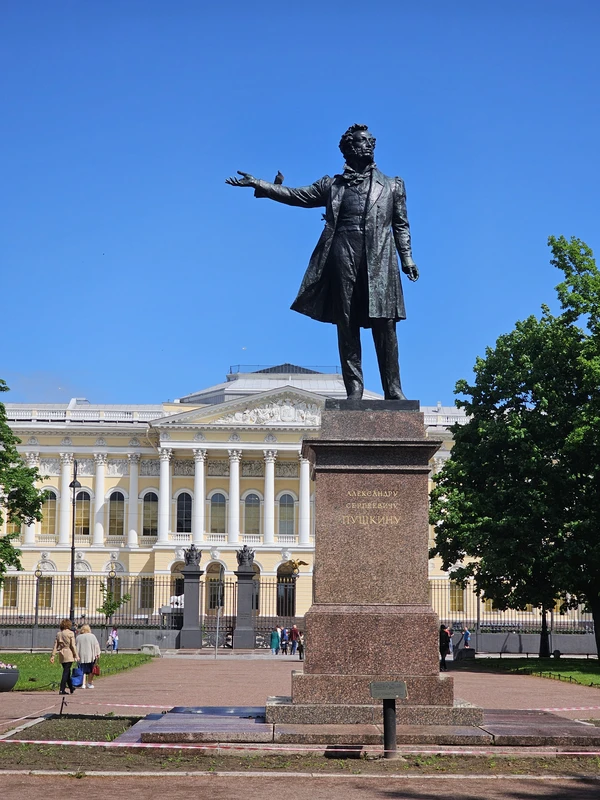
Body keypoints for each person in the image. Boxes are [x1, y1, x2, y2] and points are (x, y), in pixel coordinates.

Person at [226, 124, 419, 400]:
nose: (368, 145)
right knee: (347, 323)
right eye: (362, 141)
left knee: (385, 324)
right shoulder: (332, 185)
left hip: (381, 259)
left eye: (370, 141)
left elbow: (400, 224)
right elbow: (297, 195)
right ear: (349, 148)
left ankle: (394, 390)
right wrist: (260, 184)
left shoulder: (392, 185)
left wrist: (407, 257)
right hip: (343, 254)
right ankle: (354, 389)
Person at [50, 619, 79, 694]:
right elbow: (73, 645)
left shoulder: (59, 634)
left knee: (67, 671)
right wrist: (76, 655)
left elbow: (55, 646)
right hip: (69, 653)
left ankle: (71, 687)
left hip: (62, 653)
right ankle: (62, 689)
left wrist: (53, 656)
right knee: (66, 671)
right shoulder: (70, 633)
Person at [76, 624, 101, 689]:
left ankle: (83, 684)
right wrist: (98, 653)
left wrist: (76, 656)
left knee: (82, 670)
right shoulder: (92, 636)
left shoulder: (78, 637)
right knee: (91, 670)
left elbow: (76, 647)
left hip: (81, 656)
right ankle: (89, 683)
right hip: (90, 656)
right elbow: (96, 645)